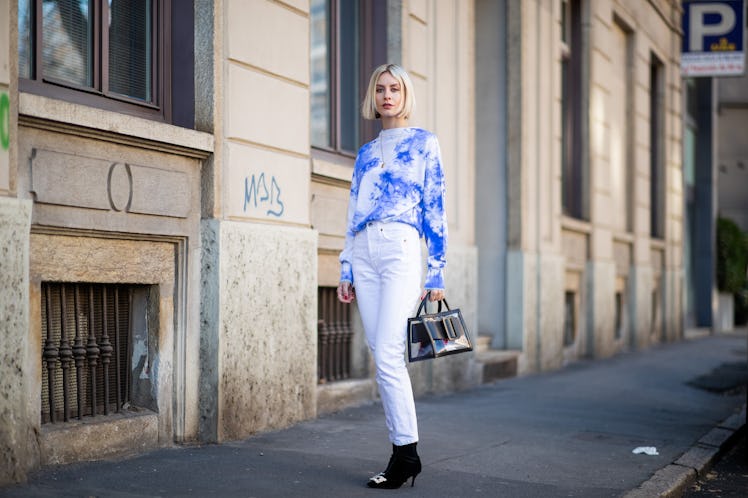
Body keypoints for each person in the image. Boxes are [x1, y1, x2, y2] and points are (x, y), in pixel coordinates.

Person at [336, 63, 447, 489]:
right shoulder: (365, 153)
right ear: (373, 97)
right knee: (380, 355)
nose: (387, 95)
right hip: (364, 251)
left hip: (401, 248)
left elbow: (435, 206)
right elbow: (353, 212)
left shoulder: (423, 144)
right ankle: (404, 453)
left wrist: (436, 270)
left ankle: (406, 454)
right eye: (380, 89)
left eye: (394, 88)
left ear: (405, 95)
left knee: (386, 354)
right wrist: (346, 265)